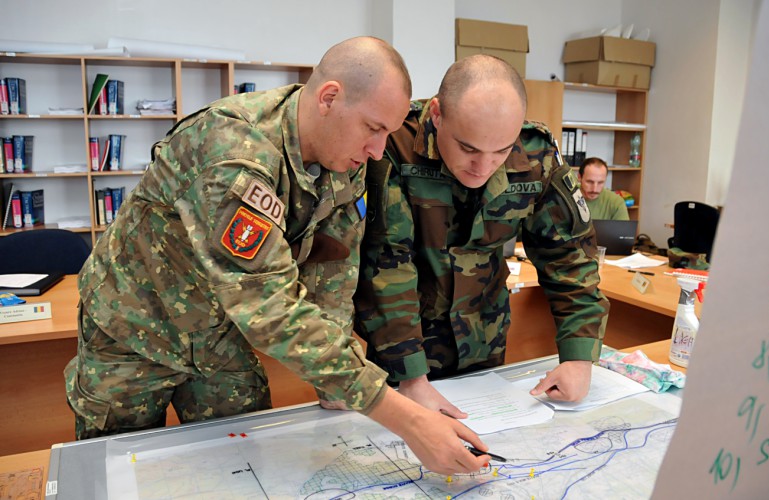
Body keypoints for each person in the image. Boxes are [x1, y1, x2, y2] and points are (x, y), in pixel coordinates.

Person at [64, 37, 488, 475]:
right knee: (114, 473)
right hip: (133, 333)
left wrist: (338, 380)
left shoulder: (344, 156)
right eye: (373, 128)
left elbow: (334, 271)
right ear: (329, 98)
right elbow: (269, 306)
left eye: (387, 133)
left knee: (246, 467)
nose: (378, 151)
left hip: (218, 335)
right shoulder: (233, 152)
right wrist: (407, 419)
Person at [354, 54, 610, 418]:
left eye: (501, 151)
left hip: (485, 341)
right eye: (468, 148)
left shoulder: (535, 153)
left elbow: (570, 256)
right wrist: (411, 377)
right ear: (438, 115)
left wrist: (579, 357)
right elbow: (386, 265)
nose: (483, 167)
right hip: (402, 347)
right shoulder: (394, 144)